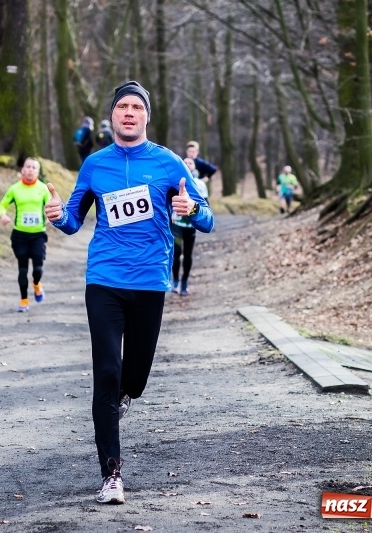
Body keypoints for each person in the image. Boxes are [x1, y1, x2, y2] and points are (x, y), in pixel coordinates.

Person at [44, 81, 214, 505]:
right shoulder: (95, 164)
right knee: (106, 371)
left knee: (133, 378)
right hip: (103, 280)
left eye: (137, 107)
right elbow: (71, 220)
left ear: (146, 116)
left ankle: (125, 394)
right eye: (122, 106)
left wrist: (190, 209)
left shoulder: (169, 163)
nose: (129, 113)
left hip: (149, 281)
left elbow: (208, 219)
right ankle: (112, 476)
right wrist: (55, 214)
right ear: (113, 115)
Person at [0, 157, 52, 312]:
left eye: (33, 168)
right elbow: (2, 204)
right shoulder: (15, 189)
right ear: (22, 170)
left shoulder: (43, 189)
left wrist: (49, 216)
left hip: (38, 235)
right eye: (27, 167)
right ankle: (24, 300)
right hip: (20, 235)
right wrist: (3, 215)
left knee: (37, 269)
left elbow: (50, 205)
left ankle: (36, 284)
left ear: (38, 172)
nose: (30, 170)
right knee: (22, 269)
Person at [171, 157, 209, 296]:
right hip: (177, 223)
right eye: (185, 162)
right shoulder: (174, 180)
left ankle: (185, 281)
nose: (187, 164)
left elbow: (206, 206)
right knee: (177, 251)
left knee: (187, 254)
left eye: (190, 163)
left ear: (194, 167)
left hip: (190, 225)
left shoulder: (200, 184)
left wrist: (201, 217)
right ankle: (175, 281)